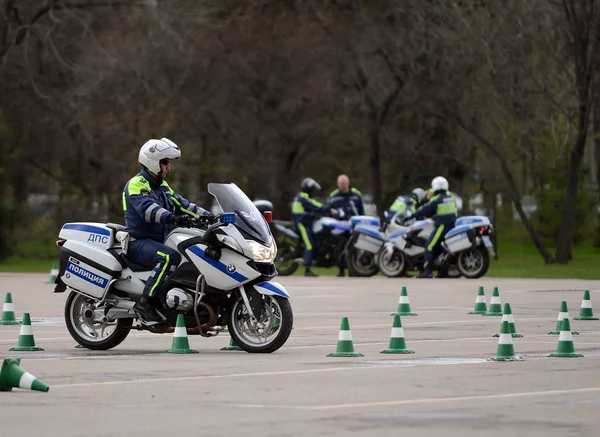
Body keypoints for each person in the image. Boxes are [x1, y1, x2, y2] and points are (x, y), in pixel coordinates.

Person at [123, 137, 213, 322]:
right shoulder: (137, 184)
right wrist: (173, 218)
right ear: (152, 162)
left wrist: (211, 217)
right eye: (165, 163)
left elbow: (184, 204)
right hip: (138, 241)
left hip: (158, 241)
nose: (168, 168)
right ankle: (145, 303)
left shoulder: (162, 186)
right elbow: (148, 210)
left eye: (169, 163)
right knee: (168, 257)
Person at [410, 176, 458, 279]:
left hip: (442, 225)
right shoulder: (450, 196)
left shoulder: (437, 199)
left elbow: (426, 210)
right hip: (452, 224)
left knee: (429, 246)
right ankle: (443, 272)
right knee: (440, 247)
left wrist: (413, 215)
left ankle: (427, 271)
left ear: (434, 187)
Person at [292, 177, 337, 277]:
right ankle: (307, 269)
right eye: (312, 189)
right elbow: (315, 206)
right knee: (309, 244)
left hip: (306, 222)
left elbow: (314, 207)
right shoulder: (303, 197)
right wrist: (329, 210)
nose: (313, 192)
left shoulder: (303, 196)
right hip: (302, 223)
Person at [327, 175, 364, 276]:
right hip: (340, 227)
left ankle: (353, 269)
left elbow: (361, 211)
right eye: (340, 183)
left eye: (343, 183)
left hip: (354, 226)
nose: (342, 185)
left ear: (348, 183)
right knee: (340, 247)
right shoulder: (334, 195)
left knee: (354, 247)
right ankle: (341, 269)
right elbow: (329, 211)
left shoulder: (356, 194)